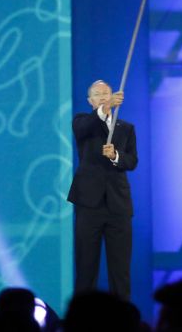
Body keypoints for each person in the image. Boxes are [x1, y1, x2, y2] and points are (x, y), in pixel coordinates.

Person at [67, 80, 138, 301]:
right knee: (86, 267)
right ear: (90, 101)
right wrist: (106, 108)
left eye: (106, 93)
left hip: (119, 205)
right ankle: (82, 319)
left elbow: (132, 161)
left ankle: (124, 319)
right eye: (97, 95)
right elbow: (84, 128)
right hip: (89, 204)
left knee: (120, 270)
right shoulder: (82, 122)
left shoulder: (126, 128)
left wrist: (116, 156)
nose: (103, 97)